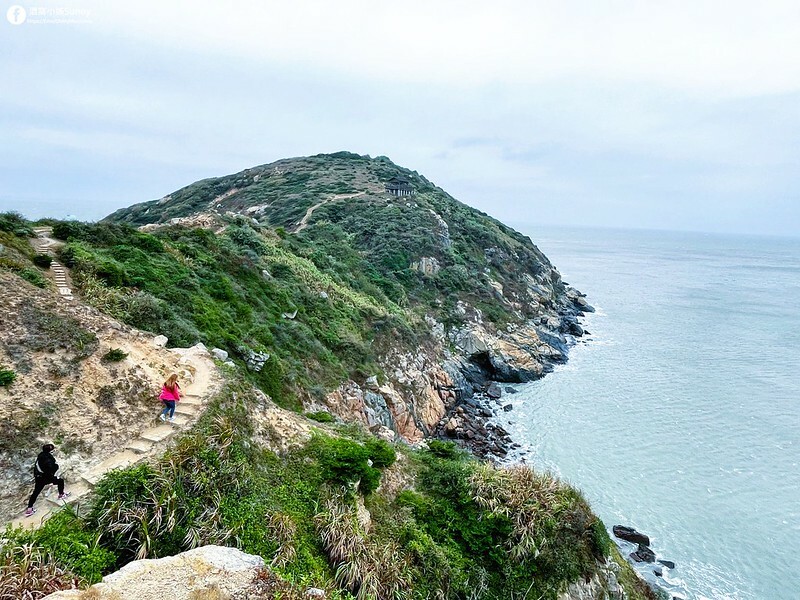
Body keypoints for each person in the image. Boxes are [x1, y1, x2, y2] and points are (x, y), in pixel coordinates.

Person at [25, 443, 69, 516]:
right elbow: (50, 468)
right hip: (46, 477)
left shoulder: (40, 456)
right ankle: (61, 494)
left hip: (38, 477)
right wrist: (53, 475)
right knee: (60, 481)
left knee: (36, 492)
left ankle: (29, 509)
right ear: (50, 451)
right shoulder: (48, 459)